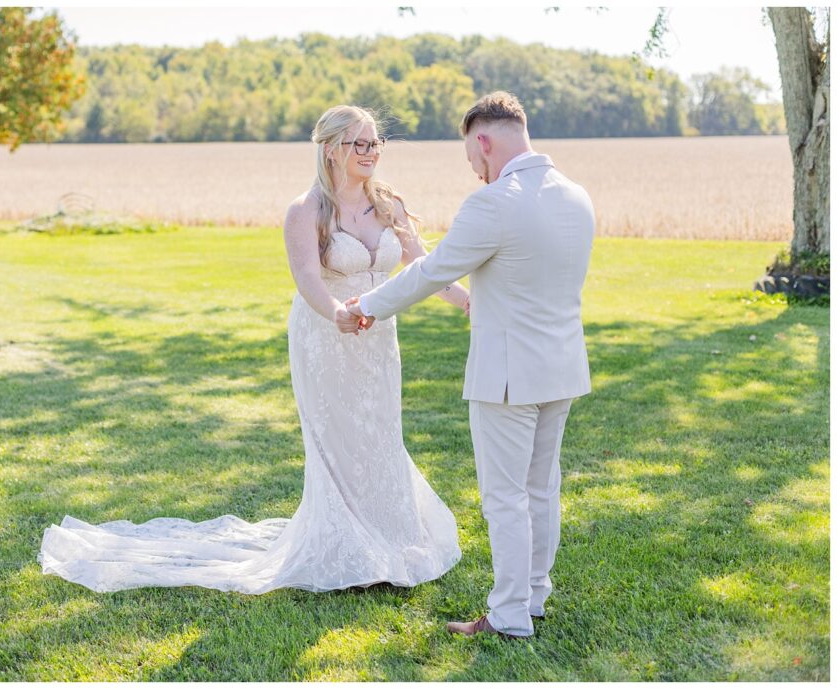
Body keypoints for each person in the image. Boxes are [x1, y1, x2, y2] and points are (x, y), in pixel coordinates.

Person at [37, 104, 468, 593]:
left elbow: (423, 265)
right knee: (337, 444)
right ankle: (346, 549)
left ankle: (391, 539)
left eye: (375, 143)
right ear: (331, 150)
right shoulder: (307, 211)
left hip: (377, 343)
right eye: (360, 143)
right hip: (324, 336)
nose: (371, 153)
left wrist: (466, 302)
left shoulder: (389, 203)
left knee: (379, 434)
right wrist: (337, 313)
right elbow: (307, 278)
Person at [346, 92, 595, 638]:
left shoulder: (494, 202)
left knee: (505, 497)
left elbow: (431, 272)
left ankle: (508, 616)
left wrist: (364, 306)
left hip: (507, 375)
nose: (476, 174)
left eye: (472, 160)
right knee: (541, 489)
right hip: (563, 367)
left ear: (483, 141)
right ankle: (533, 598)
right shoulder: (576, 196)